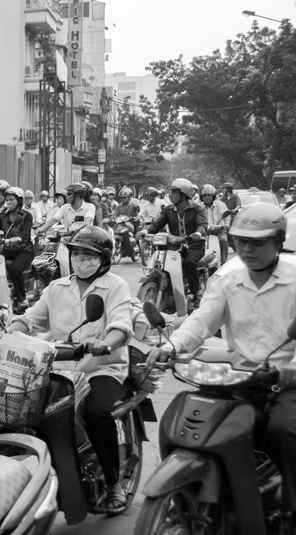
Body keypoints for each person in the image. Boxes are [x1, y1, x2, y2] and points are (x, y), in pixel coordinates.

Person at [147, 203, 296, 526]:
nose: (247, 249)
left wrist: (293, 366)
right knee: (200, 421)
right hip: (239, 379)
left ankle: (291, 507)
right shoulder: (228, 280)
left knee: (283, 430)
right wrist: (172, 346)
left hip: (286, 384)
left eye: (258, 242)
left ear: (278, 242)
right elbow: (202, 320)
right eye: (241, 241)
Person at [0, 225, 133, 515]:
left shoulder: (115, 286)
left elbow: (121, 324)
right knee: (21, 410)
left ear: (103, 259)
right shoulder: (57, 287)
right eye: (76, 254)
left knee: (97, 414)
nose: (80, 260)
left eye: (88, 255)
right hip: (60, 368)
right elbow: (31, 319)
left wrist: (105, 344)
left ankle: (113, 483)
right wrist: (4, 334)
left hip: (100, 368)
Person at [138, 178, 208, 308]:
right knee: (162, 262)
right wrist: (145, 231)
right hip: (176, 245)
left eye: (174, 192)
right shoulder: (168, 210)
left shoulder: (198, 209)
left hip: (194, 245)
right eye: (170, 192)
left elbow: (202, 225)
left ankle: (195, 294)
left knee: (189, 262)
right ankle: (167, 289)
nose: (170, 195)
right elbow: (157, 224)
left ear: (184, 194)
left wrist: (198, 234)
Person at [0, 186, 34, 308]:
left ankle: (22, 299)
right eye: (7, 199)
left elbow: (26, 231)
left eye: (12, 199)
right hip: (8, 249)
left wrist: (19, 238)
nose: (9, 202)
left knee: (15, 269)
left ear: (19, 201)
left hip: (24, 250)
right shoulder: (3, 215)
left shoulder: (26, 215)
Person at [200, 184, 230, 264]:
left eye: (209, 195)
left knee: (223, 240)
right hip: (204, 231)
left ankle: (223, 262)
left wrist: (227, 223)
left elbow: (227, 216)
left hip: (219, 231)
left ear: (213, 196)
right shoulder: (198, 207)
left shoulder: (220, 205)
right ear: (201, 197)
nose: (207, 197)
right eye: (204, 195)